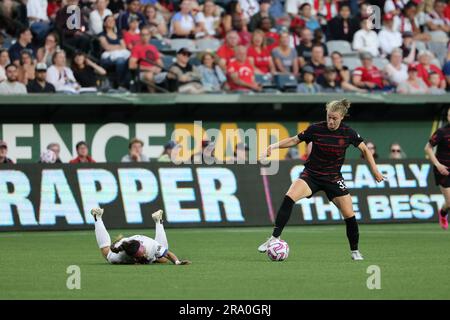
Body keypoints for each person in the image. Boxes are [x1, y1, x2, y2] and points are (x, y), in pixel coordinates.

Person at [257, 99, 384, 261]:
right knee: (289, 197)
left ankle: (355, 251)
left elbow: (365, 149)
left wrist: (375, 171)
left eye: (334, 118)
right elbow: (294, 140)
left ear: (342, 118)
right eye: (329, 117)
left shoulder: (348, 133)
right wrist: (272, 146)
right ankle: (274, 238)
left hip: (333, 178)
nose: (331, 121)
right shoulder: (315, 129)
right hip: (311, 175)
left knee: (349, 214)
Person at [91, 208, 191, 265]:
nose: (144, 255)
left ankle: (158, 221)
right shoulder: (118, 257)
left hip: (144, 241)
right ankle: (97, 217)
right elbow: (115, 252)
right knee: (106, 253)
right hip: (126, 242)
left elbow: (168, 254)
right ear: (132, 257)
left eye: (143, 253)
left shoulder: (151, 245)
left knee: (163, 258)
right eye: (140, 256)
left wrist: (177, 262)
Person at [425, 108, 450, 230]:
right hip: (443, 169)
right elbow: (428, 148)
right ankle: (443, 213)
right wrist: (437, 164)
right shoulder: (442, 132)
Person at [99, 15, 131, 89]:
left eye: (113, 20)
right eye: (109, 20)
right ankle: (120, 83)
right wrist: (118, 47)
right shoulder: (102, 35)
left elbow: (124, 46)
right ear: (104, 23)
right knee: (120, 61)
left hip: (120, 55)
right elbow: (106, 47)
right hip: (107, 58)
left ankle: (127, 83)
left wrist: (114, 47)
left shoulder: (118, 34)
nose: (111, 22)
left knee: (129, 61)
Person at [129, 25, 162, 92]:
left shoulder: (153, 47)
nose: (145, 37)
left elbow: (160, 62)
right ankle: (154, 98)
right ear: (140, 36)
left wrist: (158, 69)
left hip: (154, 72)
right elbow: (131, 66)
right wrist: (149, 69)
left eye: (147, 35)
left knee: (172, 75)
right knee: (149, 75)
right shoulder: (136, 48)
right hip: (141, 73)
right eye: (143, 35)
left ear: (150, 36)